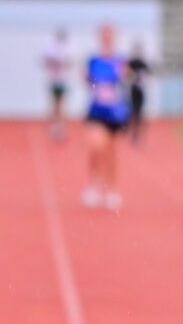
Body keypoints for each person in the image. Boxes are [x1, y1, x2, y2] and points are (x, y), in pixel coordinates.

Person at [82, 24, 130, 211]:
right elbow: (88, 81)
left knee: (112, 152)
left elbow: (125, 82)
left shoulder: (121, 61)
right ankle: (93, 185)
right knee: (95, 147)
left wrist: (122, 77)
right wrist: (96, 85)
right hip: (97, 110)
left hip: (115, 112)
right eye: (104, 35)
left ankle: (111, 188)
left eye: (110, 35)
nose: (107, 38)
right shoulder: (93, 60)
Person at [42, 28, 71, 143]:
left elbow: (70, 62)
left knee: (62, 104)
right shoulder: (51, 48)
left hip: (63, 81)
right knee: (54, 104)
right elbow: (45, 61)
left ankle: (61, 127)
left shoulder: (67, 48)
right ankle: (54, 126)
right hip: (54, 80)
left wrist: (62, 63)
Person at [125, 42, 152, 147]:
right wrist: (132, 76)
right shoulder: (131, 63)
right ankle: (132, 131)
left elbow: (149, 75)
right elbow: (126, 74)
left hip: (140, 90)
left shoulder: (143, 63)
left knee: (139, 112)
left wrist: (143, 79)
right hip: (132, 90)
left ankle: (137, 134)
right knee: (132, 111)